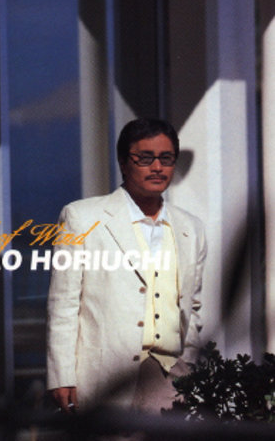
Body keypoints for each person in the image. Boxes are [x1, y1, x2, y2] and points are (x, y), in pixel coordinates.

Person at [47, 118, 207, 414]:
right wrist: (62, 376)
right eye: (145, 158)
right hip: (105, 377)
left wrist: (189, 366)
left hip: (171, 377)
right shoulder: (81, 218)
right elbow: (64, 304)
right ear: (123, 162)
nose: (157, 167)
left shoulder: (191, 228)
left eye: (166, 158)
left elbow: (193, 306)